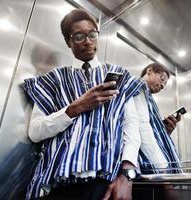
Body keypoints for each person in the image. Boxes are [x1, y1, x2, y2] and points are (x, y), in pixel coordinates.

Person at [23, 9, 144, 200]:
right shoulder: (54, 80)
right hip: (55, 183)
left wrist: (126, 175)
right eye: (79, 36)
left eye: (92, 34)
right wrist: (75, 108)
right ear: (68, 41)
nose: (88, 41)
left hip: (103, 183)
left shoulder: (119, 75)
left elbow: (131, 126)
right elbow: (35, 132)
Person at [135, 63, 182, 174]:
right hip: (151, 164)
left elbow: (152, 133)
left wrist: (165, 131)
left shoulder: (150, 101)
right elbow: (143, 129)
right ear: (149, 70)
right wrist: (161, 165)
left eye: (164, 85)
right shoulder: (137, 87)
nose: (162, 86)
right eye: (162, 79)